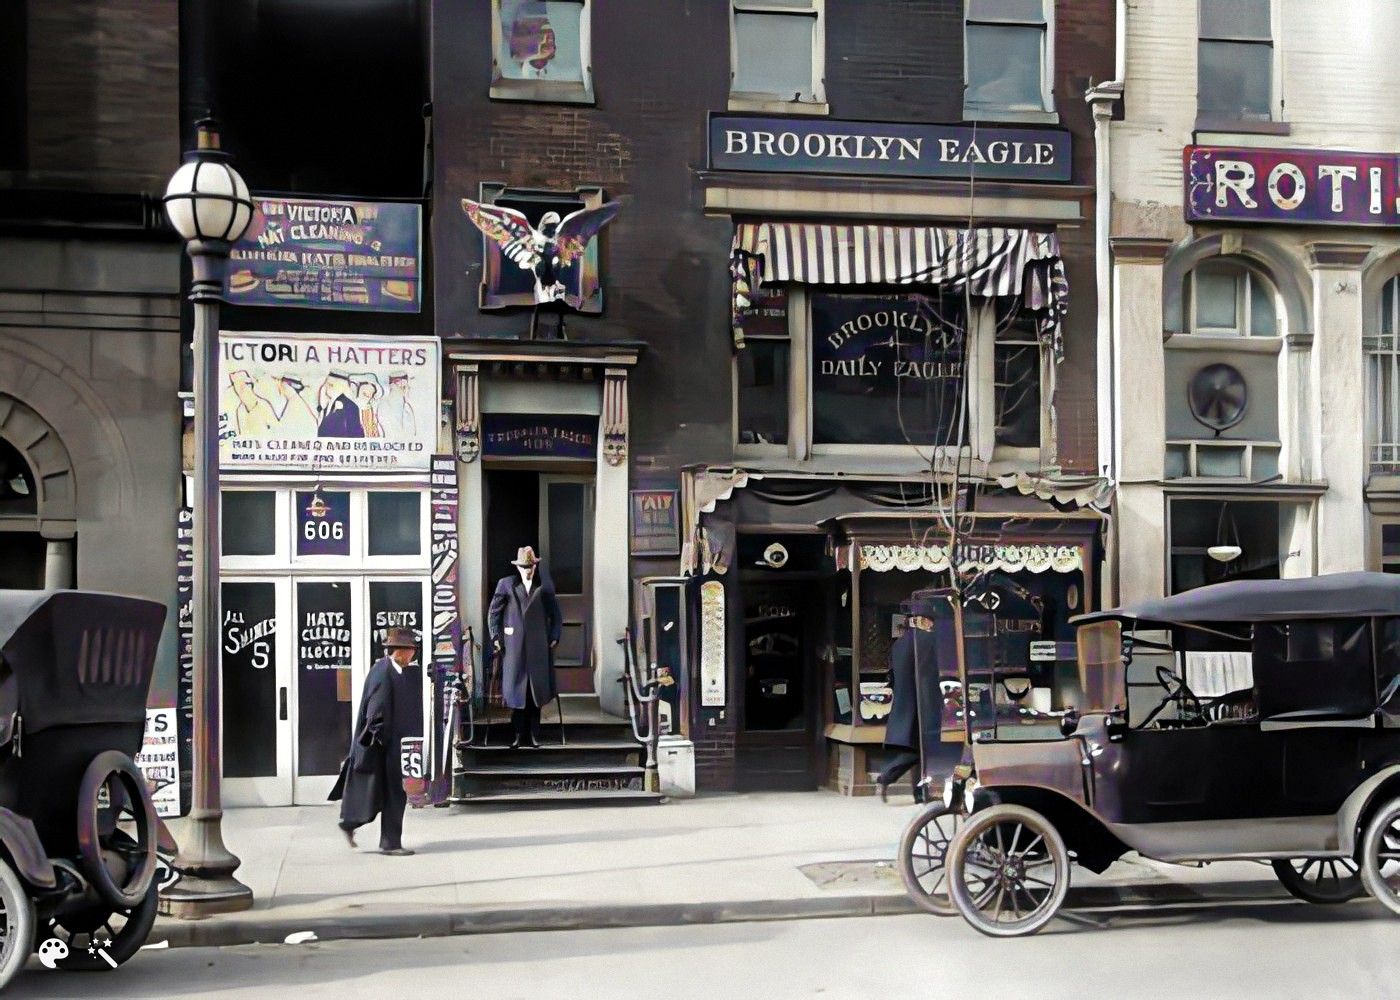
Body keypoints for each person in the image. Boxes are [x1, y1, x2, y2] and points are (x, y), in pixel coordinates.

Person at [329, 627, 423, 855]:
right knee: (394, 794)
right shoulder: (384, 672)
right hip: (383, 746)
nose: (413, 655)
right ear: (400, 651)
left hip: (386, 745)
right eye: (411, 651)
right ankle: (390, 843)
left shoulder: (391, 670)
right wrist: (381, 740)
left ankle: (350, 823)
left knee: (377, 791)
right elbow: (376, 711)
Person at [487, 546, 561, 749]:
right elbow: (494, 613)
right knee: (517, 692)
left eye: (530, 566)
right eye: (524, 567)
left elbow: (555, 614)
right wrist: (496, 637)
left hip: (538, 646)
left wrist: (554, 635)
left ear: (535, 566)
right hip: (515, 647)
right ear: (518, 567)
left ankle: (535, 734)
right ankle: (518, 735)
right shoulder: (507, 585)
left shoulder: (543, 586)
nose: (527, 570)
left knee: (535, 692)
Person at [876, 609, 938, 802]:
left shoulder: (899, 645)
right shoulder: (928, 641)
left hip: (904, 704)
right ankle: (886, 777)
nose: (932, 625)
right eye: (930, 621)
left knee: (918, 750)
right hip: (922, 704)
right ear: (923, 621)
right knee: (920, 750)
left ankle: (919, 793)